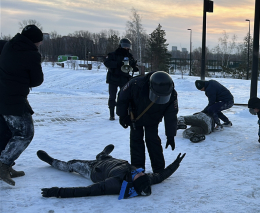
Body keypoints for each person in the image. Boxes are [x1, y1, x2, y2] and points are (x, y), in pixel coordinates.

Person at [36, 145, 185, 199]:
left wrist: (57, 192)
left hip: (94, 169)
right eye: (144, 174)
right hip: (113, 162)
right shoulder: (145, 179)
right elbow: (161, 176)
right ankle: (103, 154)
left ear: (135, 181)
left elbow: (87, 191)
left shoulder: (116, 184)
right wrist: (176, 164)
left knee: (72, 164)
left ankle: (51, 161)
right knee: (105, 157)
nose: (143, 172)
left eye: (141, 175)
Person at [0, 25, 44, 186]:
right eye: (39, 42)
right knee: (25, 133)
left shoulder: (8, 45)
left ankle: (7, 165)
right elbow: (37, 81)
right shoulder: (31, 55)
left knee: (6, 132)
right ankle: (3, 165)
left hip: (3, 94)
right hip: (13, 99)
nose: (40, 44)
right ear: (35, 41)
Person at [116, 71, 178, 173]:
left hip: (153, 118)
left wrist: (170, 135)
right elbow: (122, 98)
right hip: (136, 116)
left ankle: (159, 169)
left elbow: (171, 115)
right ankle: (137, 169)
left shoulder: (172, 94)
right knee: (136, 141)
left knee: (152, 140)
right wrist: (122, 115)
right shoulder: (135, 84)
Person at [104, 38, 139, 121]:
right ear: (120, 45)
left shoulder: (129, 56)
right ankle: (112, 114)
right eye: (124, 46)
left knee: (124, 96)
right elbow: (107, 62)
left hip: (124, 78)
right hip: (113, 78)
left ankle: (125, 113)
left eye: (128, 46)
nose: (126, 48)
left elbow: (132, 66)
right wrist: (117, 64)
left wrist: (134, 67)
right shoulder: (113, 54)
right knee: (112, 96)